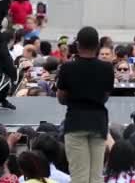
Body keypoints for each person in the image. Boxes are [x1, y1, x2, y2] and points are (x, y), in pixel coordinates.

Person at [56, 26, 114, 183]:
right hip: (98, 122)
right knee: (96, 176)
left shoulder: (67, 68)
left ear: (78, 45)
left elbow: (61, 98)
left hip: (75, 122)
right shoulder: (107, 68)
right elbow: (105, 97)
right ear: (97, 46)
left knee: (79, 175)